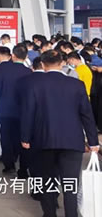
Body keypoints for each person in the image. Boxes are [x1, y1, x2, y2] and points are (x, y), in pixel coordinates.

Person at [21, 50, 99, 217]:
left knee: (47, 182)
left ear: (43, 65)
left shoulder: (35, 85)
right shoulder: (76, 85)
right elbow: (87, 115)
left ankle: (50, 214)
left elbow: (28, 113)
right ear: (62, 63)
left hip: (43, 140)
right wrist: (93, 141)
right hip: (72, 141)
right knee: (70, 184)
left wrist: (25, 137)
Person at [0, 43, 32, 178]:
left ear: (13, 55)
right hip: (23, 111)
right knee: (22, 137)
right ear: (26, 57)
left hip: (5, 109)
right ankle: (23, 167)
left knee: (6, 137)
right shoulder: (29, 72)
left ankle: (9, 165)